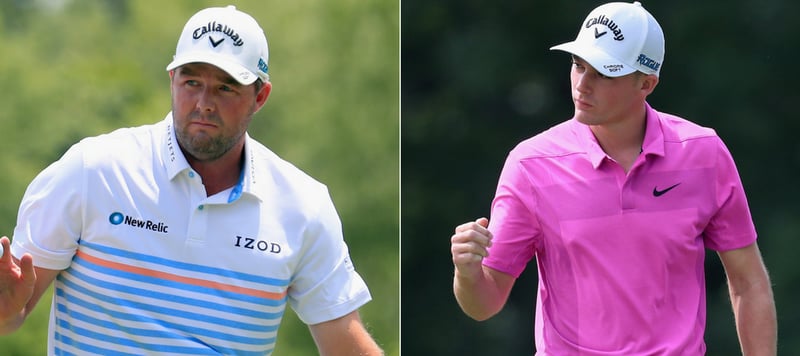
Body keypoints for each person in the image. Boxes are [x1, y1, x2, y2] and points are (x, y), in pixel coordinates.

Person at [0, 5, 383, 355]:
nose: (204, 104)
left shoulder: (304, 206)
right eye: (192, 82)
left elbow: (346, 347)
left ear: (260, 96)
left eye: (225, 87)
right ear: (172, 80)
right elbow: (11, 314)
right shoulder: (91, 171)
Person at [450, 2, 776, 355]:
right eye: (578, 65)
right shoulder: (531, 164)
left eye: (604, 73)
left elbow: (749, 283)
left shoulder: (704, 154)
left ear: (646, 83)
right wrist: (467, 274)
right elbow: (485, 304)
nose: (583, 85)